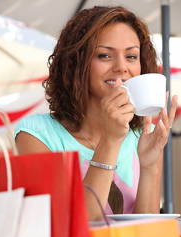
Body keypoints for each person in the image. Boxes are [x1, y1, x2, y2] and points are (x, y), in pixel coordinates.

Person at [15, 6, 177, 221]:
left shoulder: (142, 136)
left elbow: (147, 230)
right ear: (77, 62)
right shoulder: (36, 134)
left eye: (131, 56)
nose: (121, 67)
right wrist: (110, 141)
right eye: (104, 55)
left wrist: (149, 165)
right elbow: (79, 224)